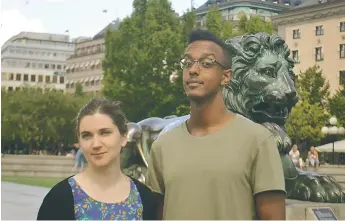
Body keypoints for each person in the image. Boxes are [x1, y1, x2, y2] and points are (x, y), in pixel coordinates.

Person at [145, 29, 286, 220]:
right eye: (187, 63)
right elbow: (155, 214)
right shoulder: (162, 146)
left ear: (226, 76)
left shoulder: (257, 140)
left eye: (207, 63)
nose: (193, 70)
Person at [37, 98, 162, 220]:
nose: (96, 144)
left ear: (124, 137)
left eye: (105, 132)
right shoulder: (59, 199)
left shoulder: (145, 198)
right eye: (87, 135)